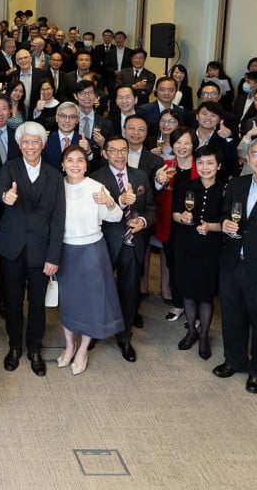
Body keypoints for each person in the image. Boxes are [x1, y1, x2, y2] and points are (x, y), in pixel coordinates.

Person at [0, 121, 66, 377]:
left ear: (42, 145)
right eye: (25, 142)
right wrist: (5, 196)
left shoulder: (54, 175)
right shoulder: (10, 168)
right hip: (12, 247)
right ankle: (14, 346)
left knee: (36, 304)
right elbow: (0, 188)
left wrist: (53, 256)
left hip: (41, 250)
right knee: (12, 302)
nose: (30, 146)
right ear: (19, 145)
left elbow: (58, 219)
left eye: (35, 142)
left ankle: (34, 349)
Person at [55, 145, 125, 376]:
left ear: (86, 165)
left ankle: (83, 349)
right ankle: (69, 345)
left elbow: (116, 216)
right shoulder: (56, 186)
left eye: (80, 160)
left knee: (91, 302)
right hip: (64, 250)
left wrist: (108, 202)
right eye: (70, 160)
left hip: (92, 251)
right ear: (62, 164)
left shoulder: (96, 187)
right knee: (67, 300)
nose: (75, 165)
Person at [216, 139, 257, 394]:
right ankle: (234, 360)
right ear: (248, 159)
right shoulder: (237, 184)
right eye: (256, 155)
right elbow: (224, 214)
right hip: (233, 261)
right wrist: (225, 224)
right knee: (232, 315)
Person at [90, 137, 156, 362]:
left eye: (123, 150)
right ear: (104, 153)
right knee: (101, 291)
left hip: (132, 243)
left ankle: (124, 337)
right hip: (106, 243)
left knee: (129, 292)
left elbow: (151, 209)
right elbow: (93, 212)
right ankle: (96, 331)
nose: (119, 155)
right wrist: (119, 200)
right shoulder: (95, 178)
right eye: (113, 151)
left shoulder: (140, 176)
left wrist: (143, 222)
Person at [170, 146, 225, 360]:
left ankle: (203, 336)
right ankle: (191, 330)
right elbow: (175, 213)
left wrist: (210, 227)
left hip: (210, 247)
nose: (205, 167)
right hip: (186, 244)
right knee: (188, 290)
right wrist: (182, 217)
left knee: (205, 293)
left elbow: (229, 222)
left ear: (218, 166)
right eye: (200, 163)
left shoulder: (225, 189)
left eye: (210, 163)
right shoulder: (186, 185)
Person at [153, 126, 199, 322]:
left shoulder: (201, 166)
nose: (182, 146)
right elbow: (155, 196)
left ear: (194, 145)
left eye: (187, 142)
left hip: (195, 226)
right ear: (172, 144)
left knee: (194, 267)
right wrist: (159, 181)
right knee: (173, 264)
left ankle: (196, 308)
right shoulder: (165, 166)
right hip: (170, 225)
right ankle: (179, 304)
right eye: (178, 142)